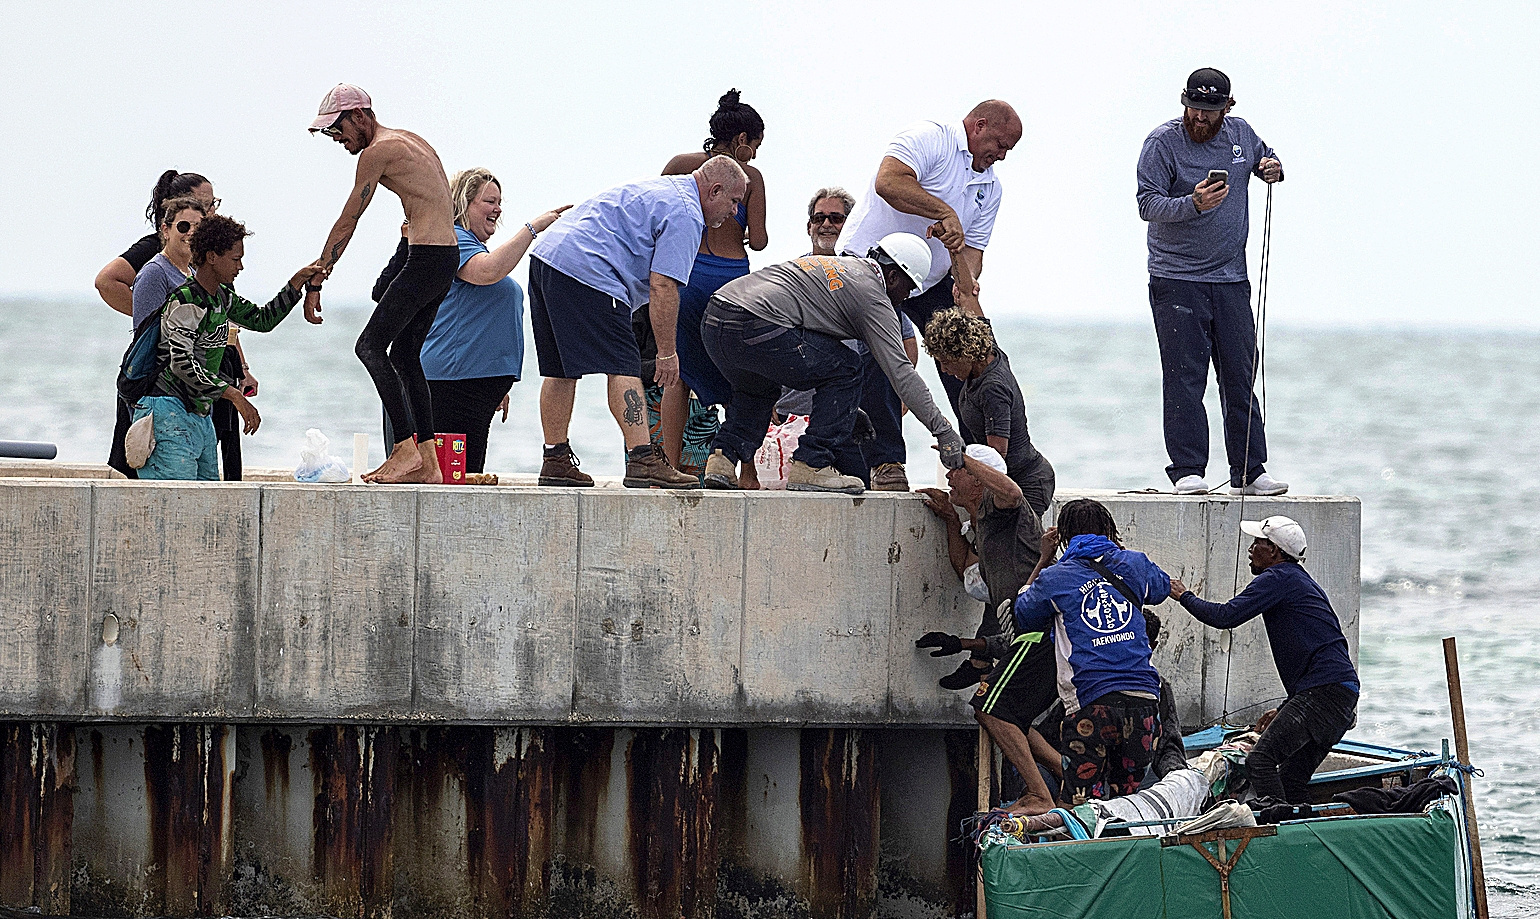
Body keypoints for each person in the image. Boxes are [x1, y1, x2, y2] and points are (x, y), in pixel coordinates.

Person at [527, 156, 748, 489]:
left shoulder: (666, 189)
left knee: (560, 369)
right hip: (592, 269)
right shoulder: (687, 214)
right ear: (715, 190)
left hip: (548, 256)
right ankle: (642, 458)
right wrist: (667, 353)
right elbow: (663, 285)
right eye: (733, 201)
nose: (734, 212)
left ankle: (555, 458)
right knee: (624, 366)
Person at [700, 233, 965, 493]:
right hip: (757, 322)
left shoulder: (840, 269)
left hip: (716, 318)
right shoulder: (873, 295)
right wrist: (943, 432)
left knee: (757, 390)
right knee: (849, 369)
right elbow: (901, 373)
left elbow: (814, 355)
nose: (906, 298)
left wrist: (846, 409)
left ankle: (722, 459)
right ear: (893, 275)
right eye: (908, 288)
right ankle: (812, 463)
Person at [836, 100, 1022, 468]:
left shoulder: (991, 186)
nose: (1001, 156)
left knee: (976, 354)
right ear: (979, 125)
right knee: (881, 356)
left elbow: (973, 252)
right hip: (872, 266)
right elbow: (888, 182)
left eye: (1008, 151)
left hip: (931, 280)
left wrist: (963, 286)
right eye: (999, 145)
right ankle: (887, 463)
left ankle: (988, 461)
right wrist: (944, 212)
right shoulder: (930, 137)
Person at [1138, 67, 1287, 496]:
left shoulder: (1240, 134)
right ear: (1183, 102)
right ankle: (1187, 469)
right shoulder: (1161, 143)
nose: (1200, 119)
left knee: (1240, 375)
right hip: (1176, 277)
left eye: (1210, 111)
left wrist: (1270, 166)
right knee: (1185, 377)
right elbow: (1147, 203)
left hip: (1231, 279)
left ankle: (1250, 470)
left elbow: (1264, 156)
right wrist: (1193, 203)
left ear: (1228, 107)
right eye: (1193, 109)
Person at [305, 83, 458, 484]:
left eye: (337, 129)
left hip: (426, 258)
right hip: (442, 257)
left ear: (360, 116)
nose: (337, 140)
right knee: (406, 355)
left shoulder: (377, 152)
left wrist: (323, 268)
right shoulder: (410, 140)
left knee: (369, 346)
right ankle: (429, 463)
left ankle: (403, 449)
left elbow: (351, 216)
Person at [373, 169, 570, 474]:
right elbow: (488, 271)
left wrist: (496, 383)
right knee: (447, 481)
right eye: (489, 200)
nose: (498, 208)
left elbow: (474, 316)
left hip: (468, 387)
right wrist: (534, 228)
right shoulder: (453, 240)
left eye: (500, 202)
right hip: (444, 386)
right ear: (464, 203)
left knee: (463, 476)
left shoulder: (467, 245)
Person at [1170, 515, 1360, 804]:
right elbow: (1320, 651)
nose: (1250, 549)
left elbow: (1225, 616)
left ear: (1274, 551)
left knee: (1260, 761)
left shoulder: (1279, 577)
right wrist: (1288, 708)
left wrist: (1184, 595)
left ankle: (1277, 830)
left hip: (1323, 692)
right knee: (1290, 780)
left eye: (1257, 542)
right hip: (1341, 694)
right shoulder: (1297, 580)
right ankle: (1297, 834)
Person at [915, 445, 1058, 815]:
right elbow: (966, 568)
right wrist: (949, 518)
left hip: (1042, 633)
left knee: (989, 708)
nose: (948, 476)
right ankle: (1068, 776)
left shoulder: (1007, 513)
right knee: (1011, 716)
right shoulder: (980, 526)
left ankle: (1040, 795)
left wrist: (963, 457)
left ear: (979, 481)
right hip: (1027, 635)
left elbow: (1012, 492)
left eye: (955, 471)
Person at [132, 215, 322, 480]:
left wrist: (295, 284)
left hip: (199, 414)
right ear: (211, 257)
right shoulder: (186, 301)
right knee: (177, 508)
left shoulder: (222, 297)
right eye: (235, 259)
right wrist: (234, 396)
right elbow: (182, 365)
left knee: (208, 505)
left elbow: (262, 319)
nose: (241, 267)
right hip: (168, 412)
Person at [1013, 499, 1171, 804]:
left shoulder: (1056, 576)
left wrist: (1044, 559)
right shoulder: (1133, 564)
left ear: (1063, 536)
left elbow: (1023, 613)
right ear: (1109, 531)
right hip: (1144, 706)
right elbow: (1161, 587)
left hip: (1090, 705)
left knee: (1080, 805)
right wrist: (1119, 556)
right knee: (1122, 804)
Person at [653, 90, 768, 484]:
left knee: (678, 376)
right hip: (731, 278)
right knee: (744, 372)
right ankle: (747, 471)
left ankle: (668, 464)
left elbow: (658, 218)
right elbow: (761, 239)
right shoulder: (750, 178)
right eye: (754, 146)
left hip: (686, 274)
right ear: (741, 141)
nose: (753, 155)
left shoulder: (680, 165)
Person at [99, 171, 219, 477]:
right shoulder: (155, 259)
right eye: (205, 204)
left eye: (210, 208)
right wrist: (163, 320)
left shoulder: (195, 262)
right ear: (166, 225)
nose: (210, 213)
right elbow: (106, 280)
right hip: (161, 387)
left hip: (193, 392)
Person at [924, 308, 1054, 512]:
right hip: (1012, 478)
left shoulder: (992, 389)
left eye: (946, 362)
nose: (944, 370)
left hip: (1025, 483)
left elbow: (996, 460)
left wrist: (957, 453)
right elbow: (968, 296)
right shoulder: (988, 349)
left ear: (965, 354)